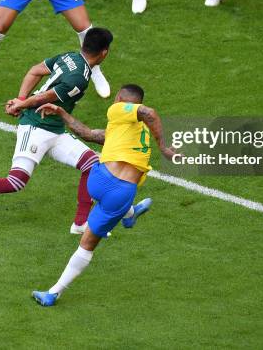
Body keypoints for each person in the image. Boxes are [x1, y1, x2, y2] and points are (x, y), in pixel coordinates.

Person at [0, 28, 113, 235]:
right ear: (104, 53)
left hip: (55, 129)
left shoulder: (69, 56)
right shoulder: (79, 78)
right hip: (36, 127)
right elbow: (43, 98)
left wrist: (21, 100)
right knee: (16, 182)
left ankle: (80, 223)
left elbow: (34, 71)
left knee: (92, 164)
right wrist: (22, 105)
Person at [31, 84, 175, 306]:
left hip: (99, 179)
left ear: (119, 98)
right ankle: (53, 293)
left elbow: (149, 112)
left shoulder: (117, 110)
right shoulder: (136, 132)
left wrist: (165, 147)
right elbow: (89, 134)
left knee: (89, 237)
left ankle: (129, 213)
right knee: (87, 243)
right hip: (122, 193)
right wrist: (61, 112)